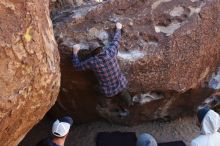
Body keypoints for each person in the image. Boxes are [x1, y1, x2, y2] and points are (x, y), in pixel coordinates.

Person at [72, 22, 133, 114]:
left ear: (92, 54)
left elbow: (77, 66)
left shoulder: (92, 62)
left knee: (94, 88)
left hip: (108, 91)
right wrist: (118, 29)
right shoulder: (111, 52)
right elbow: (116, 41)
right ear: (102, 49)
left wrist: (75, 53)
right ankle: (130, 103)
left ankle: (104, 105)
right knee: (124, 92)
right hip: (121, 83)